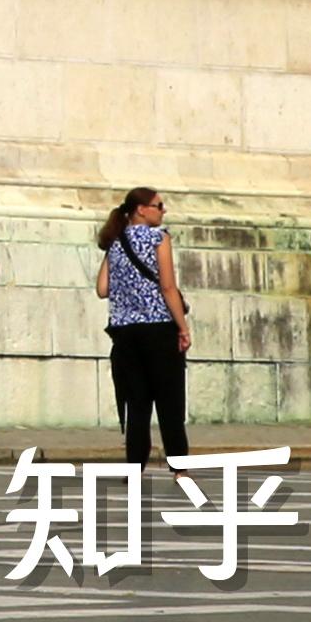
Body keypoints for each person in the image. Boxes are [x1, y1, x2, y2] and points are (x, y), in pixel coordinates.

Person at [93, 186, 188, 467]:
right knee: (170, 404)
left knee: (136, 406)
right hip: (159, 330)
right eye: (159, 205)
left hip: (125, 335)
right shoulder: (159, 238)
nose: (163, 210)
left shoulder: (116, 241)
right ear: (141, 209)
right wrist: (182, 327)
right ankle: (180, 468)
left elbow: (102, 289)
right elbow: (168, 287)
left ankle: (134, 468)